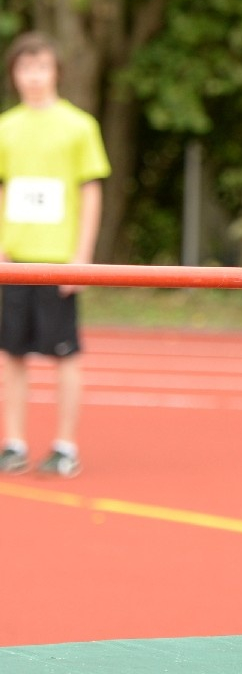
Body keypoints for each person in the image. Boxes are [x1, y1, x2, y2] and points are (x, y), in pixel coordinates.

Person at [0, 32, 111, 478]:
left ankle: (65, 445)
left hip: (59, 259)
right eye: (25, 67)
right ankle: (14, 442)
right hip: (14, 261)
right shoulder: (5, 127)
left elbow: (91, 192)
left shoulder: (79, 126)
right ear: (14, 74)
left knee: (66, 355)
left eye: (42, 66)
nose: (34, 76)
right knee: (11, 354)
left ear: (56, 72)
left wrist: (81, 258)